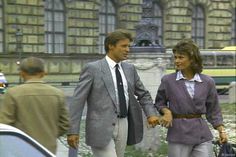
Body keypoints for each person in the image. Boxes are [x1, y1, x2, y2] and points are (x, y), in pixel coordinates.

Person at [67, 29, 159, 157]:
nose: (128, 50)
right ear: (111, 46)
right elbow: (78, 101)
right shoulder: (93, 69)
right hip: (100, 127)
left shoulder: (129, 69)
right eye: (124, 46)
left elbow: (143, 94)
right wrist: (73, 131)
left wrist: (151, 113)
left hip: (124, 124)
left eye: (128, 46)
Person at [155, 39, 228, 157]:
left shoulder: (207, 82)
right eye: (175, 57)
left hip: (201, 133)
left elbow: (213, 110)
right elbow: (159, 103)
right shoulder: (168, 81)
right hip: (178, 133)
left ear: (192, 59)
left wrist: (221, 130)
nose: (176, 61)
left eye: (181, 57)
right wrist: (166, 111)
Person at [0, 57, 69, 154]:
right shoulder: (58, 93)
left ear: (22, 73)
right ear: (44, 73)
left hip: (20, 147)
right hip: (47, 148)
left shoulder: (13, 93)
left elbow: (4, 124)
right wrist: (50, 134)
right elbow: (64, 124)